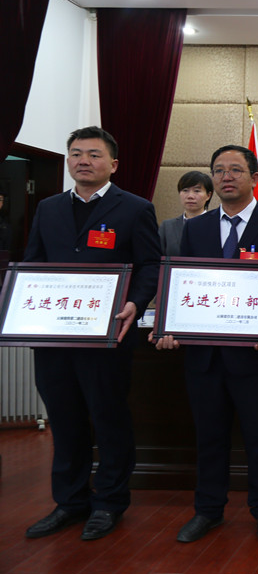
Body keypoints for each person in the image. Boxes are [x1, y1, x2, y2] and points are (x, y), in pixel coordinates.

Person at [154, 145, 258, 544]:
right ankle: (208, 510)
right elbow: (184, 283)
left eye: (235, 170)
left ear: (253, 177)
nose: (226, 177)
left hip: (257, 356)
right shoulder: (197, 228)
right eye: (218, 170)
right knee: (209, 438)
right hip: (204, 358)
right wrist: (171, 324)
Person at [23, 126, 161, 541]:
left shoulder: (135, 208)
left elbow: (150, 265)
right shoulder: (48, 208)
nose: (84, 161)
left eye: (94, 154)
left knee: (108, 417)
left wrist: (136, 302)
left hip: (108, 336)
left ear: (113, 164)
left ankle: (110, 503)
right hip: (55, 338)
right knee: (64, 419)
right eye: (76, 153)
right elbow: (34, 263)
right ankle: (70, 502)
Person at [159, 170, 214, 256]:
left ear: (208, 195)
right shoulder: (167, 226)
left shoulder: (216, 224)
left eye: (197, 191)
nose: (190, 196)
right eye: (185, 190)